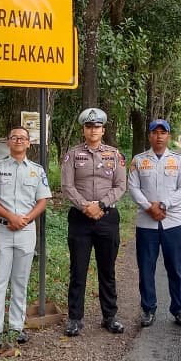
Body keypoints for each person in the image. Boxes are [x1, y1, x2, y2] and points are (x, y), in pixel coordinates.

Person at [0, 126, 52, 352]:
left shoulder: (37, 170)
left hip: (26, 231)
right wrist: (10, 216)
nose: (19, 141)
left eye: (23, 138)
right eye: (14, 137)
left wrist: (26, 218)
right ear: (8, 142)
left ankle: (16, 326)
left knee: (20, 280)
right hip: (2, 230)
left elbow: (42, 200)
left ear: (29, 143)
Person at [60, 108, 127, 337]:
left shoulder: (114, 155)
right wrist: (86, 206)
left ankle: (110, 316)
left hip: (107, 218)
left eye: (97, 126)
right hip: (80, 219)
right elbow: (67, 186)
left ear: (103, 130)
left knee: (107, 270)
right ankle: (75, 318)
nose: (93, 130)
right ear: (84, 130)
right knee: (78, 270)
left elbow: (120, 186)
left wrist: (102, 205)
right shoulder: (72, 154)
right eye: (89, 126)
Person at [128, 118, 181, 328]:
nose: (159, 136)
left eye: (162, 132)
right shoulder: (138, 160)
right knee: (146, 268)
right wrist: (149, 207)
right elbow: (133, 188)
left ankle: (178, 309)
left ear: (168, 136)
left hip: (173, 223)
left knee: (175, 268)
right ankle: (148, 309)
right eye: (155, 132)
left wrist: (163, 205)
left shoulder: (178, 160)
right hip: (146, 225)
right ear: (149, 136)